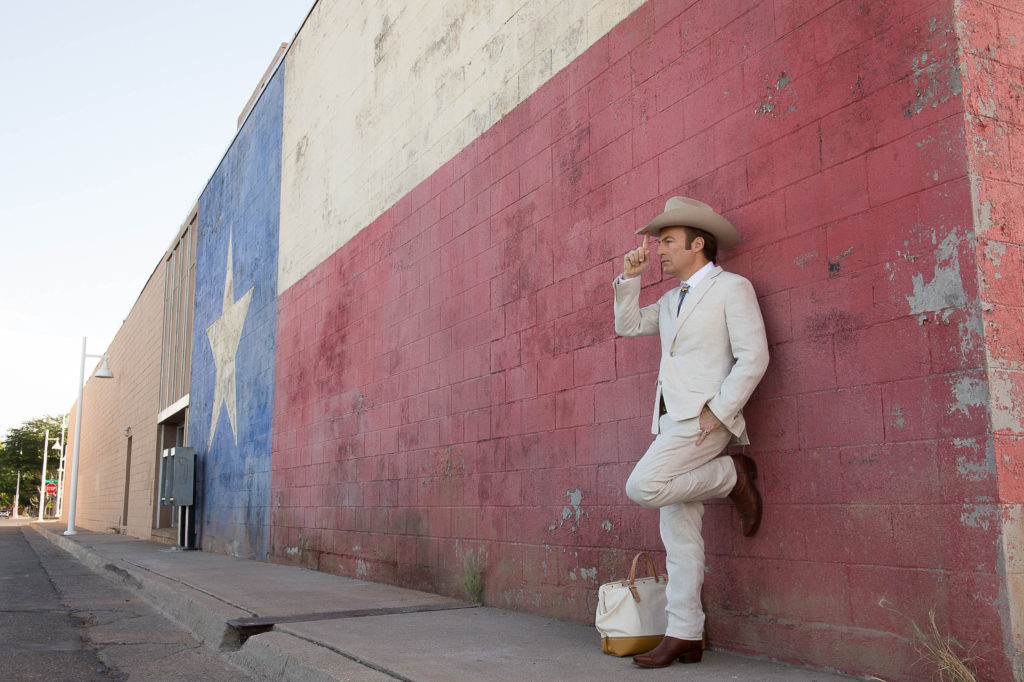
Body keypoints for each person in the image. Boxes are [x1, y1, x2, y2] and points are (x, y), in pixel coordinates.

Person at [613, 196, 769, 668]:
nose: (658, 250)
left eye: (667, 242)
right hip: (670, 422)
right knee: (679, 537)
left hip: (705, 422)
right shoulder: (669, 300)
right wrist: (631, 278)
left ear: (697, 244)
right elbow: (627, 325)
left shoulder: (732, 288)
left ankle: (731, 476)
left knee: (642, 486)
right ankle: (685, 633)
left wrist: (718, 413)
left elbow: (754, 357)